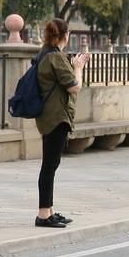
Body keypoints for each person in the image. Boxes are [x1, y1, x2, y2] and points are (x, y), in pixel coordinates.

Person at [34, 19, 89, 228]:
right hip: (56, 117)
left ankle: (48, 211)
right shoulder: (55, 57)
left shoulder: (45, 53)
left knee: (51, 164)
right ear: (65, 36)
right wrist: (78, 67)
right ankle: (43, 215)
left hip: (50, 116)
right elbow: (74, 87)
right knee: (49, 166)